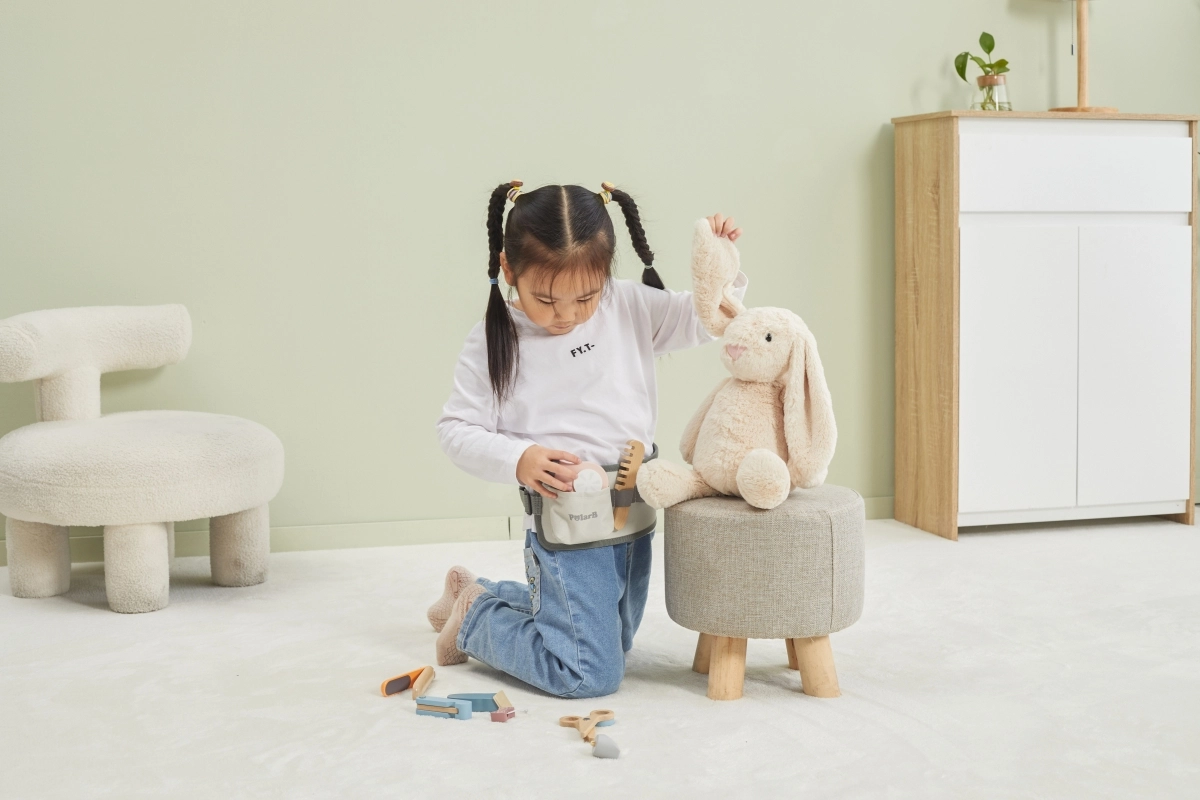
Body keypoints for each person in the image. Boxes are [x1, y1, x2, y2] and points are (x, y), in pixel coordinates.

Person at [431, 180, 746, 698]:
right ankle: (476, 616)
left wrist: (721, 263)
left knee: (615, 643)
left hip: (632, 511)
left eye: (586, 296)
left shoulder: (628, 305)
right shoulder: (495, 339)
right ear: (508, 269)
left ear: (605, 274)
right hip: (568, 526)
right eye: (545, 299)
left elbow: (709, 319)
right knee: (587, 671)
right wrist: (520, 457)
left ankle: (478, 591)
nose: (567, 315)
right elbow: (455, 430)